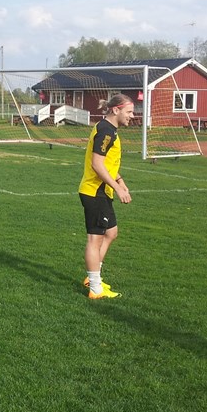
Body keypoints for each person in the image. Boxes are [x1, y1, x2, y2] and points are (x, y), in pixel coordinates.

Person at [78, 93, 134, 299]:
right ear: (116, 110)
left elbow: (108, 163)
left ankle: (93, 277)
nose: (132, 116)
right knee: (95, 239)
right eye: (129, 112)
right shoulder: (106, 132)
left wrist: (120, 181)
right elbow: (97, 164)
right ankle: (95, 288)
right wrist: (117, 188)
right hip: (95, 192)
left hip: (103, 191)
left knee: (111, 233)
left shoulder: (109, 129)